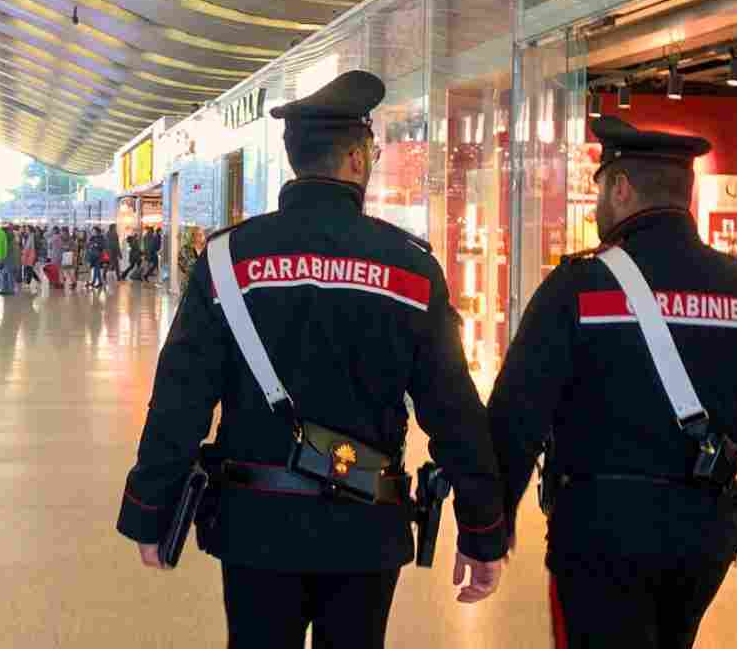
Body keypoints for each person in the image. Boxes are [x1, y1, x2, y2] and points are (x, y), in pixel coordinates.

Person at [117, 71, 507, 648]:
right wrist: (482, 527)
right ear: (355, 158)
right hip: (364, 525)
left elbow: (181, 396)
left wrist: (151, 505)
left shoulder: (228, 261)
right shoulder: (409, 269)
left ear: (294, 157)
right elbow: (454, 411)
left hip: (255, 525)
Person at [488, 115, 737, 649]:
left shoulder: (578, 287)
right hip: (707, 530)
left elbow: (517, 414)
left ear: (621, 188)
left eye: (601, 190)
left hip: (597, 531)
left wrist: (487, 523)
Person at [2, 225, 21, 295]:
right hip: (13, 262)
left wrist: (2, 260)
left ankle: (10, 290)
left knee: (9, 275)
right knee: (6, 274)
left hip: (10, 262)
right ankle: (6, 289)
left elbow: (6, 252)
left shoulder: (10, 242)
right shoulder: (14, 241)